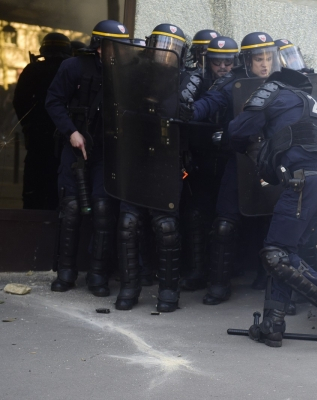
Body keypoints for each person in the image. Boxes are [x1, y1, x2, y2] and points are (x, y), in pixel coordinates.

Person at [227, 68, 317, 347]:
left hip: (304, 183)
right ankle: (272, 326)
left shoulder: (276, 93)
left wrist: (239, 141)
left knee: (276, 255)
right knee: (287, 254)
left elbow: (238, 129)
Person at [184, 32, 281, 305]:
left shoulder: (287, 83)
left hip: (274, 162)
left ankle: (269, 277)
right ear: (247, 60)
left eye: (268, 58)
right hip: (239, 160)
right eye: (259, 58)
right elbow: (212, 102)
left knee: (272, 221)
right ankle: (219, 284)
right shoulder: (234, 83)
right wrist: (191, 110)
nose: (264, 64)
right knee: (225, 224)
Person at [45, 20, 129, 296]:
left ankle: (97, 276)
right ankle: (66, 273)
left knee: (103, 210)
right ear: (99, 46)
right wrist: (71, 132)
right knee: (70, 210)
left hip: (107, 151)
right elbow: (53, 101)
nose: (116, 51)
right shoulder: (73, 67)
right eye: (111, 46)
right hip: (76, 147)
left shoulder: (126, 73)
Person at [114, 23, 191, 312]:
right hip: (135, 156)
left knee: (166, 226)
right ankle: (129, 288)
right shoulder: (132, 74)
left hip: (167, 159)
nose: (165, 54)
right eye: (161, 45)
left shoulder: (187, 81)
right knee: (128, 224)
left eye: (173, 49)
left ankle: (169, 291)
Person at [179, 36, 239, 291]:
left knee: (224, 221)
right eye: (218, 62)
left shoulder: (239, 84)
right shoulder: (197, 81)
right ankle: (197, 271)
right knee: (195, 216)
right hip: (200, 158)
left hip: (228, 159)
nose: (223, 67)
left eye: (228, 62)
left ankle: (221, 275)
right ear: (208, 62)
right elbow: (197, 105)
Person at [13, 32, 72, 210]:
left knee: (35, 181)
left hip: (38, 134)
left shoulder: (32, 70)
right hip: (65, 134)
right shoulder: (71, 70)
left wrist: (28, 126)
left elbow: (19, 101)